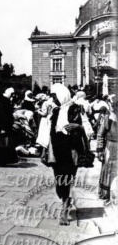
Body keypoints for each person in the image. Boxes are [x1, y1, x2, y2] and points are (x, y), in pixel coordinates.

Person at [48, 83, 82, 225]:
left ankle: (64, 211)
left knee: (67, 179)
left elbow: (85, 128)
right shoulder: (56, 111)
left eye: (55, 96)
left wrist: (77, 126)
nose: (53, 99)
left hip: (71, 149)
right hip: (57, 149)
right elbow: (52, 130)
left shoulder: (75, 109)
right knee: (59, 181)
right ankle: (65, 200)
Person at [0, 87, 18, 166]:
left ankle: (0, 161)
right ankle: (0, 161)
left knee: (1, 143)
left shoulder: (3, 101)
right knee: (1, 143)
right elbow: (2, 116)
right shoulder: (3, 102)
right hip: (2, 126)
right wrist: (3, 128)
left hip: (1, 126)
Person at [97, 106, 117, 201]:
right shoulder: (108, 118)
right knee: (109, 169)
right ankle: (106, 193)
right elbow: (100, 134)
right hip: (110, 147)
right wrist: (100, 150)